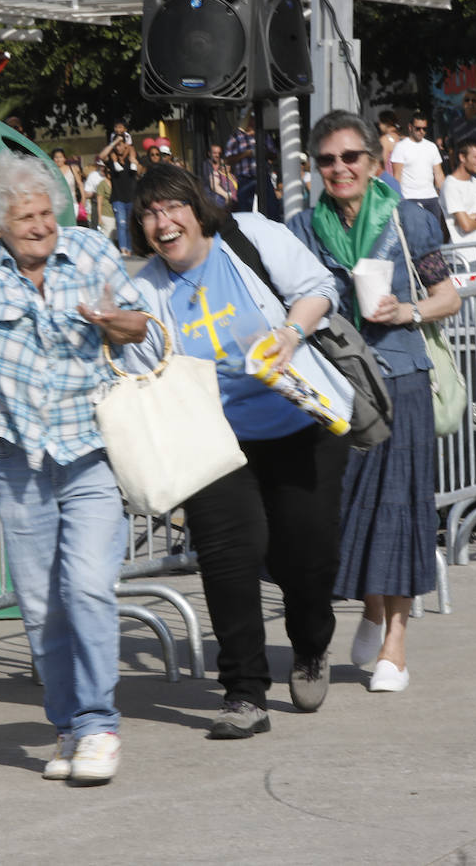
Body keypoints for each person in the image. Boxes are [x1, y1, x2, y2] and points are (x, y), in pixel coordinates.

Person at [0, 151, 149, 785]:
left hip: (90, 449)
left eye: (45, 213)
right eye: (25, 219)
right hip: (19, 458)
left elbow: (139, 325)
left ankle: (99, 725)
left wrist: (114, 322)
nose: (41, 227)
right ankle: (69, 727)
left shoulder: (92, 250)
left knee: (89, 587)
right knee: (42, 605)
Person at [123, 163, 353, 738]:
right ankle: (244, 692)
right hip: (215, 439)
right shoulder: (145, 288)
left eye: (172, 206)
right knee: (228, 558)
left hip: (300, 420)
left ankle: (310, 644)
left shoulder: (250, 236)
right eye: (149, 214)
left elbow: (321, 288)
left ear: (196, 208)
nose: (162, 222)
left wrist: (289, 334)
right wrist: (119, 335)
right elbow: (144, 369)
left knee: (307, 554)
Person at [287, 110, 461, 693]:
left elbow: (447, 298)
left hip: (404, 377)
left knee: (402, 510)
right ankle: (370, 604)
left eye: (350, 158)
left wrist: (406, 311)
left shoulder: (411, 220)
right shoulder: (303, 231)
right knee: (346, 509)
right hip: (338, 386)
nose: (340, 169)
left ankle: (396, 644)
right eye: (328, 161)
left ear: (373, 162)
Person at [441, 139, 476, 276]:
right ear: (462, 157)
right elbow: (465, 225)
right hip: (464, 259)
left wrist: (475, 216)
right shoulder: (450, 186)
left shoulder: (475, 182)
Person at [389, 111, 446, 225]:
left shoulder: (431, 147)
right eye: (418, 128)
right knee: (414, 238)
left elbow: (439, 174)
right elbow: (397, 177)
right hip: (410, 199)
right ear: (410, 127)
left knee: (435, 235)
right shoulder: (401, 147)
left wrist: (446, 194)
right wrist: (397, 201)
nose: (422, 132)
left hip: (431, 198)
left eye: (424, 129)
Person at [99, 128, 140, 255]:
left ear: (125, 146)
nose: (118, 148)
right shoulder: (112, 161)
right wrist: (113, 142)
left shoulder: (132, 158)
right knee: (121, 224)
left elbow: (140, 171)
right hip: (118, 199)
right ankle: (123, 249)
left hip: (131, 198)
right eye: (116, 146)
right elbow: (101, 156)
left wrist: (135, 163)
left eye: (120, 145)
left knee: (130, 224)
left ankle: (131, 248)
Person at [50, 148, 87, 224]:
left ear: (64, 158)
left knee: (72, 224)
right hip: (57, 205)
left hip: (72, 203)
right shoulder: (51, 171)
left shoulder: (72, 169)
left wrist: (83, 198)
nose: (58, 159)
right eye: (56, 157)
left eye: (60, 157)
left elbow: (80, 184)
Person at [201, 142, 238, 210]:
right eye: (214, 153)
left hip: (230, 199)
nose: (217, 155)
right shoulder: (205, 166)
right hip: (213, 199)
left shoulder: (224, 164)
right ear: (209, 154)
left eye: (219, 153)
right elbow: (212, 184)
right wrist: (226, 196)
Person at [376, 109, 404, 192]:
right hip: (406, 182)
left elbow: (381, 164)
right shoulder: (403, 139)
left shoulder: (385, 140)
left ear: (385, 123)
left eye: (380, 123)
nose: (379, 126)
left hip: (391, 182)